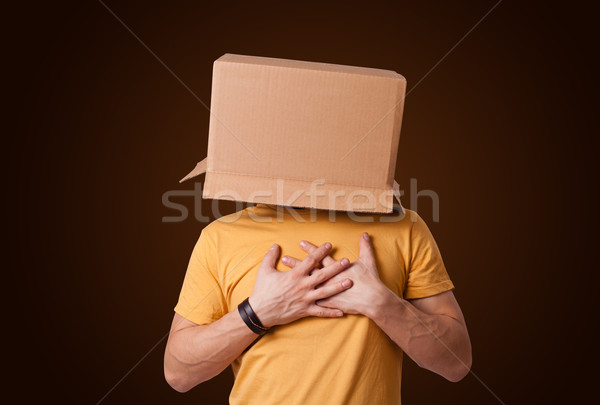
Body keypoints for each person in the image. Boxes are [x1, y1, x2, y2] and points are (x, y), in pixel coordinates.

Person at [164, 204, 472, 404]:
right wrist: (257, 313)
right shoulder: (222, 236)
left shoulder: (404, 228)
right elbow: (178, 373)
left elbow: (456, 362)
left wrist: (383, 305)